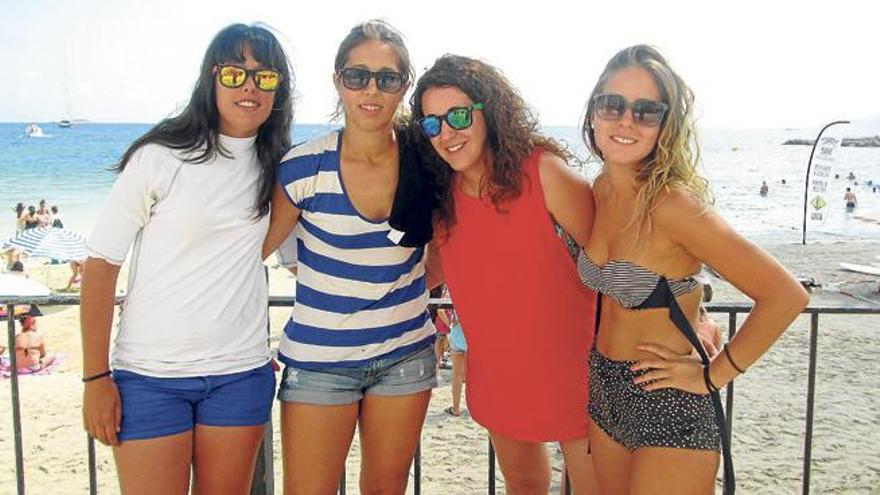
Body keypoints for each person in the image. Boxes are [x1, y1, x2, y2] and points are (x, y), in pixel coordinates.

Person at [577, 45, 808, 495]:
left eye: (646, 111)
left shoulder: (673, 205)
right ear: (593, 114)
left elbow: (786, 295)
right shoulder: (600, 189)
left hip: (670, 401)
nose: (626, 120)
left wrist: (712, 374)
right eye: (612, 105)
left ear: (666, 126)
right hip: (605, 386)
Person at [80, 23, 293, 494]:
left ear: (280, 88)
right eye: (236, 74)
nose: (251, 87)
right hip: (150, 379)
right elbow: (100, 266)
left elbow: (289, 252)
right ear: (211, 79)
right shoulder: (160, 157)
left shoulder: (279, 168)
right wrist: (95, 377)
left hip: (240, 376)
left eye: (265, 76)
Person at [260, 20, 438, 494]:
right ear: (338, 81)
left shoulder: (427, 160)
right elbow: (249, 255)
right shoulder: (303, 167)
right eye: (357, 76)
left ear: (404, 85)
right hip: (319, 364)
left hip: (405, 357)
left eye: (387, 77)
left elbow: (446, 250)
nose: (371, 90)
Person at [412, 54, 599, 494]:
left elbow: (618, 259)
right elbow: (424, 278)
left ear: (489, 111)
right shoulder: (443, 199)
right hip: (497, 376)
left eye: (458, 115)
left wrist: (691, 314)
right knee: (524, 486)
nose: (447, 133)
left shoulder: (543, 172)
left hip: (579, 376)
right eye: (432, 124)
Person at [444, 308, 467, 417]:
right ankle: (475, 408)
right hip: (474, 335)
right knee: (474, 375)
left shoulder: (459, 296)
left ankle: (456, 407)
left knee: (457, 374)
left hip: (458, 333)